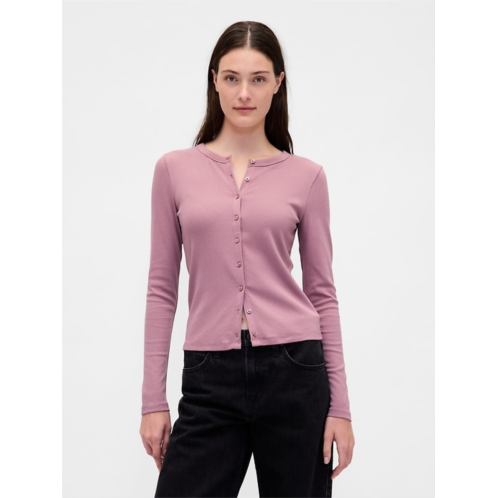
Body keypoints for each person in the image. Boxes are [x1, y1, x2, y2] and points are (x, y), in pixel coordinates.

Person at [139, 20, 355, 498]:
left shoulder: (307, 177)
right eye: (232, 77)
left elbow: (322, 293)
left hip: (296, 373)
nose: (244, 93)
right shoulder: (174, 170)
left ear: (278, 83)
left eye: (258, 78)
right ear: (214, 80)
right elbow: (161, 289)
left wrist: (340, 407)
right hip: (208, 376)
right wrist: (153, 400)